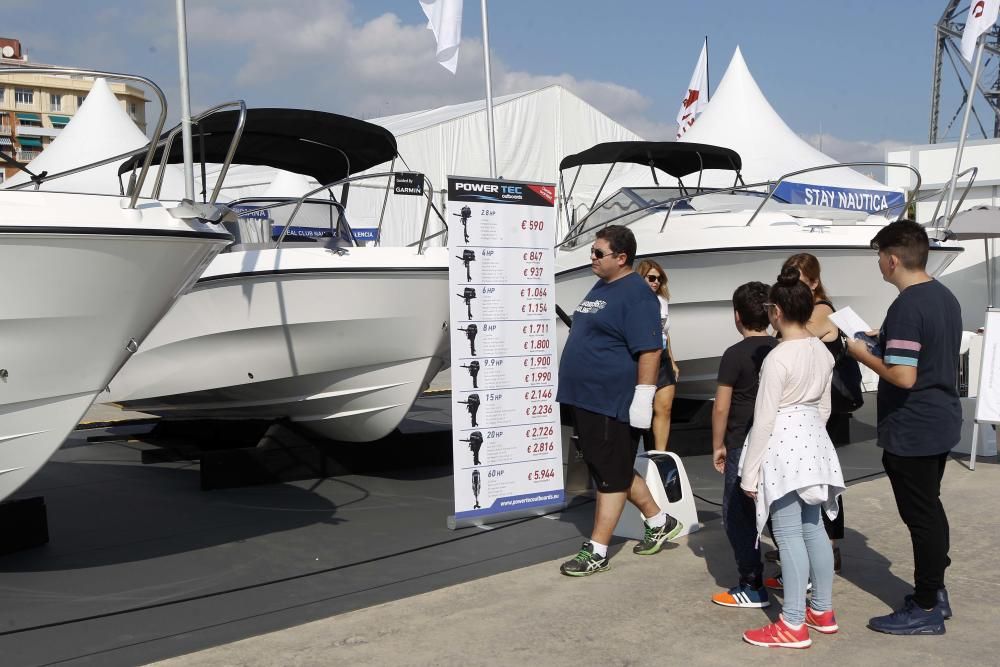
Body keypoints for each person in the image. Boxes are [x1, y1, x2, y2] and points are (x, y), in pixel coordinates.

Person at [846, 220, 959, 635]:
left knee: (922, 517)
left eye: (879, 256)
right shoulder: (943, 296)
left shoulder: (908, 305)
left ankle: (927, 606)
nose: (879, 263)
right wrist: (885, 337)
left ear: (892, 259)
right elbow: (923, 350)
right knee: (930, 508)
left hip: (914, 428)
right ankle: (934, 591)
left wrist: (861, 353)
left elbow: (903, 376)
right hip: (940, 420)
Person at [557, 225, 683, 576]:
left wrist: (643, 398)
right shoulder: (603, 285)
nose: (592, 258)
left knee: (609, 476)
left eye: (599, 253)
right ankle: (659, 521)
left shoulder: (637, 294)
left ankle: (597, 549)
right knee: (610, 467)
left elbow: (651, 349)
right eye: (593, 252)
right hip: (586, 396)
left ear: (621, 257)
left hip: (611, 399)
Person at [739, 266, 845, 649]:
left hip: (783, 446)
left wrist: (749, 475)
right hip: (815, 443)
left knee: (787, 534)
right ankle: (822, 609)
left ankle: (793, 622)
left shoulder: (779, 357)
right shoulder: (821, 349)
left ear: (777, 312)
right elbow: (825, 408)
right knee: (813, 528)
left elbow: (764, 419)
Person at [765, 253, 847, 578]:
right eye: (788, 276)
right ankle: (815, 567)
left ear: (814, 282)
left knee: (812, 496)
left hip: (811, 412)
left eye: (799, 278)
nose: (793, 283)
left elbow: (795, 340)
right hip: (811, 411)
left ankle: (820, 557)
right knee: (810, 498)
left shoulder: (820, 311)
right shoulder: (807, 314)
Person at [709, 282, 777, 609]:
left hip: (741, 441)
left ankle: (752, 583)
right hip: (778, 441)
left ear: (737, 316)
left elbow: (721, 406)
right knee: (779, 511)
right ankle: (797, 576)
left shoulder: (734, 355)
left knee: (737, 512)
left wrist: (717, 444)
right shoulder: (781, 347)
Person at [637, 259, 680, 451]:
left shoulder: (663, 301)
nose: (656, 282)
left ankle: (661, 454)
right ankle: (635, 451)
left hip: (662, 356)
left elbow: (665, 333)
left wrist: (672, 359)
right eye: (652, 278)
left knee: (664, 408)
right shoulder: (634, 301)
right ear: (642, 278)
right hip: (642, 357)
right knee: (641, 408)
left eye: (659, 279)